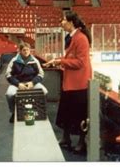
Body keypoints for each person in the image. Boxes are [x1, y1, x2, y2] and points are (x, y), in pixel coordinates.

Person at [44, 11, 92, 154]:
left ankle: (81, 142)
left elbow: (80, 62)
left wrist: (60, 61)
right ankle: (66, 139)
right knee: (66, 112)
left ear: (71, 23)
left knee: (78, 114)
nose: (61, 22)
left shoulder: (81, 38)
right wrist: (58, 61)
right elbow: (71, 58)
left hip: (79, 84)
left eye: (64, 20)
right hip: (70, 82)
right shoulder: (71, 37)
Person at [5, 42, 48, 123]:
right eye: (24, 50)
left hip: (31, 83)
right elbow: (8, 75)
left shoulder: (34, 60)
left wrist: (33, 83)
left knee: (44, 92)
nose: (26, 52)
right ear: (20, 51)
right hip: (18, 83)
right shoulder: (14, 60)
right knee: (9, 94)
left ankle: (40, 110)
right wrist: (18, 84)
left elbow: (41, 74)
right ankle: (13, 112)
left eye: (28, 50)